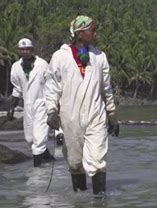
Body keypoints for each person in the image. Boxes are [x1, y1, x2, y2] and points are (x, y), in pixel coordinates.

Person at [44, 15, 119, 195]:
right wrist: (52, 111)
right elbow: (52, 86)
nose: (95, 33)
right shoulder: (60, 57)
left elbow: (106, 88)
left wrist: (112, 116)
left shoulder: (100, 57)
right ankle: (80, 205)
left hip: (95, 116)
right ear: (79, 33)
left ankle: (99, 206)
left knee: (97, 160)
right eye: (92, 30)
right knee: (75, 162)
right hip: (70, 118)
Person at [7, 38, 54, 167]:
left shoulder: (42, 64)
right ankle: (48, 158)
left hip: (42, 104)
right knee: (30, 139)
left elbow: (51, 84)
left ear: (32, 50)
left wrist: (53, 106)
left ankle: (36, 173)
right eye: (22, 49)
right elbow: (17, 87)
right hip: (27, 106)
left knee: (38, 141)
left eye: (27, 49)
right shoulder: (16, 67)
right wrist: (12, 106)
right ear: (19, 51)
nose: (25, 51)